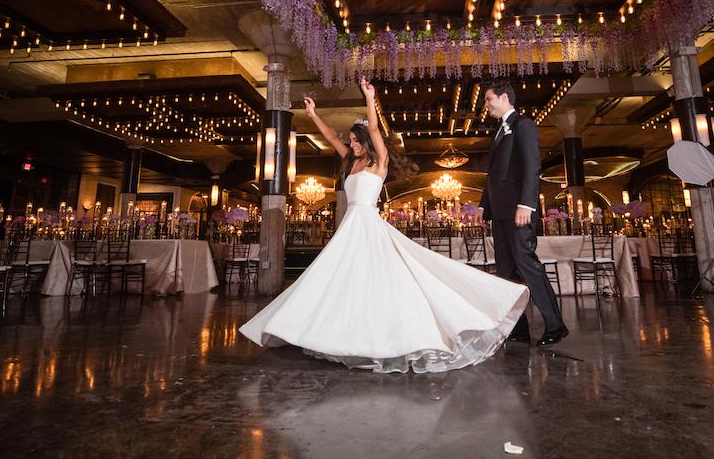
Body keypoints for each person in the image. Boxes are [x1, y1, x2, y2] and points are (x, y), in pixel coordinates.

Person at [239, 77, 529, 373]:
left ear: (365, 140)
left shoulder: (380, 163)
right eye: (350, 141)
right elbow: (331, 139)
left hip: (367, 225)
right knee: (338, 279)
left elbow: (376, 129)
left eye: (355, 140)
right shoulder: (351, 162)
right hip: (349, 226)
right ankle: (334, 330)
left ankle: (385, 334)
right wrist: (313, 115)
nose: (351, 144)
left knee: (379, 279)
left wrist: (369, 97)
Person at [479, 80, 568, 346]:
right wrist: (484, 204)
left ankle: (555, 324)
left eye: (488, 99)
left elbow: (532, 166)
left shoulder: (523, 125)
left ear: (504, 98)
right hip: (500, 211)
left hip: (519, 210)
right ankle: (518, 328)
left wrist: (527, 204)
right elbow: (494, 173)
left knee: (527, 264)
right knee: (506, 270)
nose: (486, 104)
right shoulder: (499, 131)